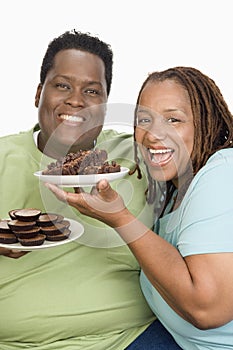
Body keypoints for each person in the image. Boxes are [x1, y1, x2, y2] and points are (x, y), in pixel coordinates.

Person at [47, 66, 233, 349]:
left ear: (209, 123)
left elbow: (207, 310)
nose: (153, 135)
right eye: (143, 120)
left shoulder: (220, 175)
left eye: (173, 119)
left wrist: (121, 219)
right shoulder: (173, 190)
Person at [0, 30, 156, 349]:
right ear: (38, 93)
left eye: (92, 90)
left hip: (131, 337)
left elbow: (205, 143)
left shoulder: (138, 155)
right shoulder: (4, 157)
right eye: (62, 85)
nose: (76, 100)